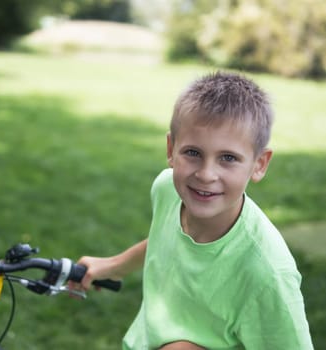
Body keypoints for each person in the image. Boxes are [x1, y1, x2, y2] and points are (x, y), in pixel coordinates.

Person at [75, 72, 313, 349]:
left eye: (228, 158)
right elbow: (168, 238)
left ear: (259, 164)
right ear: (171, 149)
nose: (206, 174)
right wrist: (115, 266)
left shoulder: (268, 275)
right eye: (193, 153)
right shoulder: (168, 189)